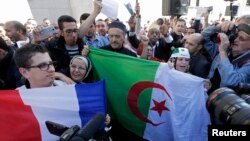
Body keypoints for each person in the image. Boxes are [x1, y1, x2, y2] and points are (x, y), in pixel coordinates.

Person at [201, 14, 250, 94]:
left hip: (225, 103)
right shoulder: (226, 48)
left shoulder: (247, 62)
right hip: (209, 97)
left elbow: (231, 81)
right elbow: (204, 36)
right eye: (236, 34)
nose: (235, 39)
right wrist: (219, 26)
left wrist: (222, 52)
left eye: (241, 38)